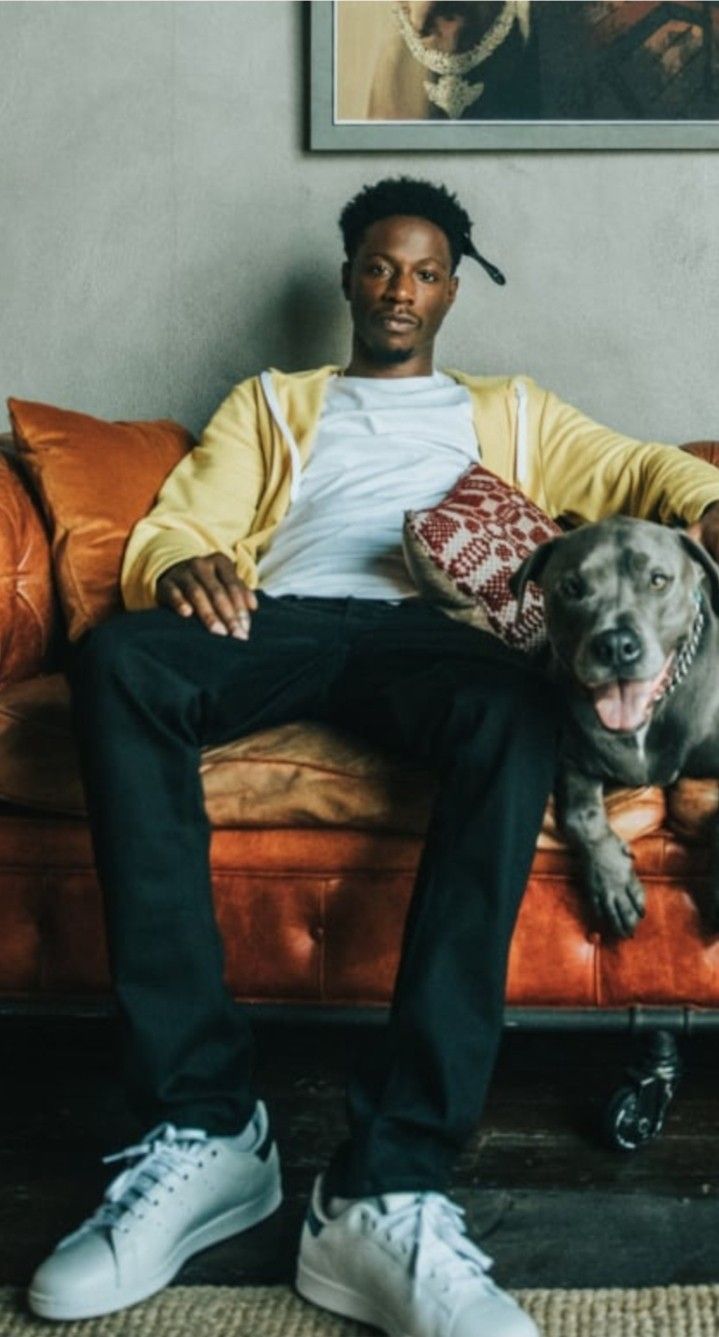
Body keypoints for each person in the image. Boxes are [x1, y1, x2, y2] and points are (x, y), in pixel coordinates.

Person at [28, 177, 719, 1337]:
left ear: (454, 289)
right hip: (282, 617)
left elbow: (647, 472)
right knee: (121, 666)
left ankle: (386, 1182)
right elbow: (186, 517)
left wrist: (710, 502)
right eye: (380, 266)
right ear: (349, 276)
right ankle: (203, 1128)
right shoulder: (273, 400)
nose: (400, 287)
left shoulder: (511, 407)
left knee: (512, 715)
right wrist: (185, 564)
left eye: (425, 270)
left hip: (432, 638)